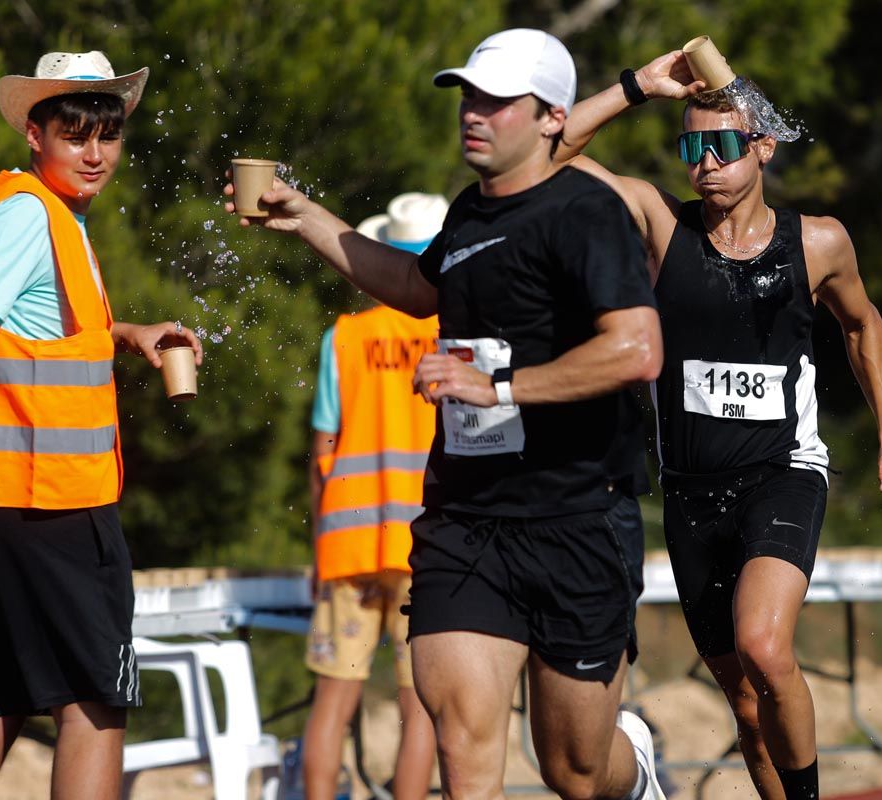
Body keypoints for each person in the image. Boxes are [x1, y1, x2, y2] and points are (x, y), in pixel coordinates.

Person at [228, 27, 673, 800]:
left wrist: (499, 389)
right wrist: (309, 220)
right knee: (462, 746)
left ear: (551, 118)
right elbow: (415, 285)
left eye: (497, 100)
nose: (473, 112)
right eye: (469, 95)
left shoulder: (586, 212)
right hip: (466, 521)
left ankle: (632, 773)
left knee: (575, 771)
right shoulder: (469, 213)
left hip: (576, 517)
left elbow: (636, 350)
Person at [551, 50, 882, 800]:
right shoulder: (664, 232)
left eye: (722, 145)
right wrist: (637, 89)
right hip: (692, 495)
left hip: (781, 475)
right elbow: (550, 153)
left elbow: (861, 327)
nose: (705, 163)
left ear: (764, 147)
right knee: (748, 713)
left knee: (764, 645)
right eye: (690, 147)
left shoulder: (817, 242)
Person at [0, 50, 202, 799]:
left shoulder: (51, 217)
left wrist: (127, 331)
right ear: (34, 134)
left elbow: (37, 337)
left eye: (106, 134)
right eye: (75, 134)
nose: (95, 152)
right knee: (96, 704)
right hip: (48, 504)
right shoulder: (24, 217)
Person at [302, 192, 447, 800]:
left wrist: (317, 549)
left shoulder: (345, 338)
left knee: (334, 702)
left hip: (351, 541)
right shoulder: (454, 332)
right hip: (431, 545)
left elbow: (321, 452)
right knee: (421, 710)